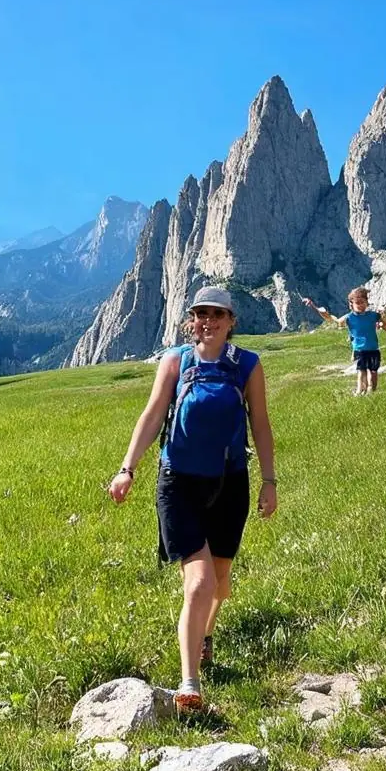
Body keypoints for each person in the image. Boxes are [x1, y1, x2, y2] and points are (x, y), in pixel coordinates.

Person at [108, 287, 278, 715]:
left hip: (230, 483)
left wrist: (269, 481)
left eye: (217, 314)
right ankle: (190, 685)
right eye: (201, 314)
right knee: (200, 583)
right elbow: (152, 415)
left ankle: (205, 634)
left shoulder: (247, 365)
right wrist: (128, 468)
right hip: (178, 483)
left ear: (231, 321)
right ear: (191, 320)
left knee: (220, 583)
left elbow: (260, 423)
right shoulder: (175, 361)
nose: (209, 321)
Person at [302, 287, 386, 394]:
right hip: (360, 349)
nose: (360, 305)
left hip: (373, 349)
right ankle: (360, 391)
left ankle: (372, 391)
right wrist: (314, 307)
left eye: (363, 302)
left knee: (373, 372)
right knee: (361, 371)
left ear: (367, 302)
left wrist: (382, 324)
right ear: (351, 304)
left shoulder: (374, 315)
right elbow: (332, 320)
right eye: (357, 303)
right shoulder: (349, 317)